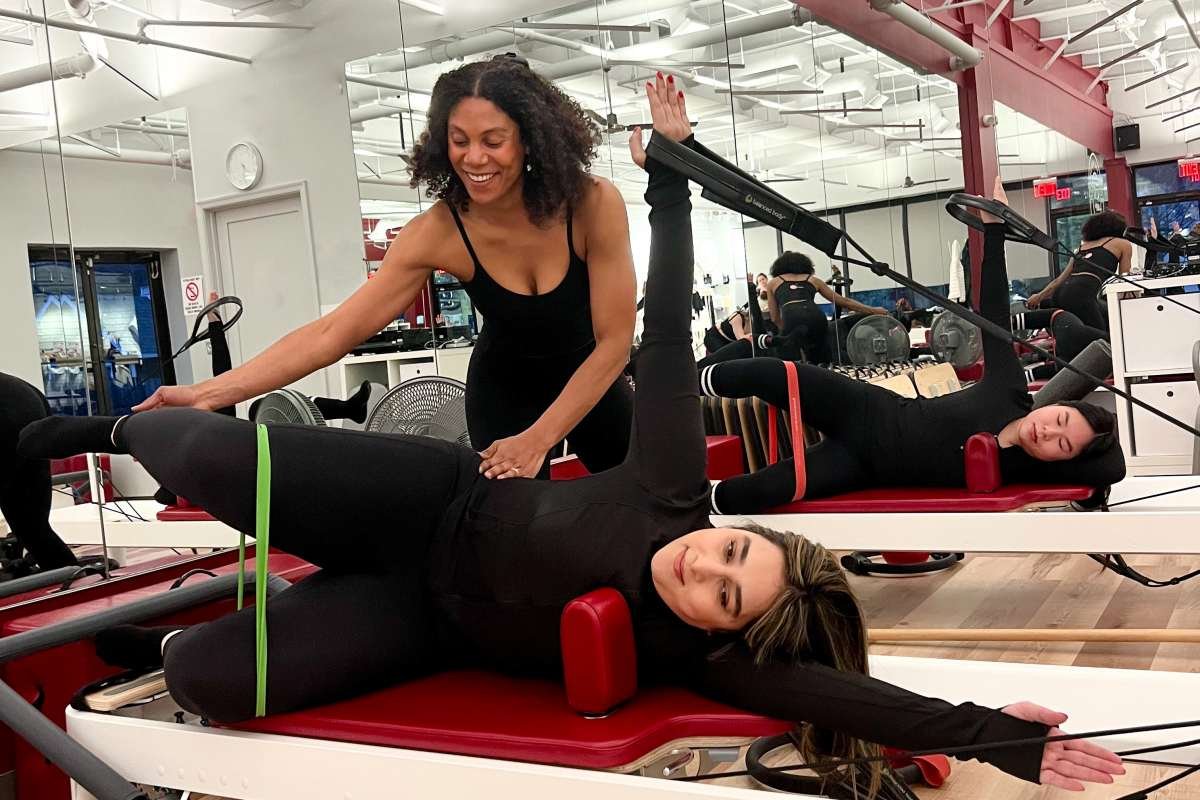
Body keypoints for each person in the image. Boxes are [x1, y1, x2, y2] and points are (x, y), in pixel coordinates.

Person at [18, 81, 1121, 795]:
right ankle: (90, 422)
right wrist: (678, 182)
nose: (708, 560)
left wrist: (998, 738)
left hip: (440, 601)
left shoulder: (702, 654)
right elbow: (660, 333)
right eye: (740, 549)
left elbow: (832, 695)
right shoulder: (676, 496)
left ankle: (240, 607)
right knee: (206, 449)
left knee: (205, 675)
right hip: (442, 499)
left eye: (725, 588)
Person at [133, 55, 638, 481]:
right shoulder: (438, 232)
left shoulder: (592, 204)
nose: (474, 157)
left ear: (529, 140)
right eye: (459, 140)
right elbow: (332, 333)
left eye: (493, 140)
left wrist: (540, 439)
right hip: (503, 388)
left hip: (593, 373)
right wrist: (204, 394)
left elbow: (615, 341)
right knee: (513, 537)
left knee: (648, 506)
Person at [703, 178, 1126, 514]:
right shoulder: (1009, 391)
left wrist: (1087, 464)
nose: (1049, 430)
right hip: (866, 408)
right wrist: (994, 231)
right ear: (1059, 403)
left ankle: (685, 505)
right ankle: (681, 385)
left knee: (756, 492)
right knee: (769, 373)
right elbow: (993, 314)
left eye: (1062, 445)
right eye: (1062, 418)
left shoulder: (1024, 471)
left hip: (862, 468)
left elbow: (1113, 467)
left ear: (1061, 461)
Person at [0, 372, 78, 572]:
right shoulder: (18, 389)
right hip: (26, 401)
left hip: (17, 405)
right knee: (34, 528)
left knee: (32, 527)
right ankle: (74, 586)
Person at [767, 252, 888, 364]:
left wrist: (786, 331)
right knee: (822, 360)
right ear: (804, 264)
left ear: (779, 267)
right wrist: (875, 310)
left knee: (791, 364)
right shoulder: (813, 279)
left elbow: (774, 318)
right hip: (816, 317)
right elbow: (844, 301)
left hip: (791, 318)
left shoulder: (773, 282)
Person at [1026, 211, 1132, 330]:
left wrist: (1039, 296)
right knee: (1103, 337)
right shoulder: (1123, 244)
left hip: (1061, 293)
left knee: (1075, 335)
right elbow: (1124, 281)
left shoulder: (1082, 248)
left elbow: (1059, 281)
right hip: (1082, 293)